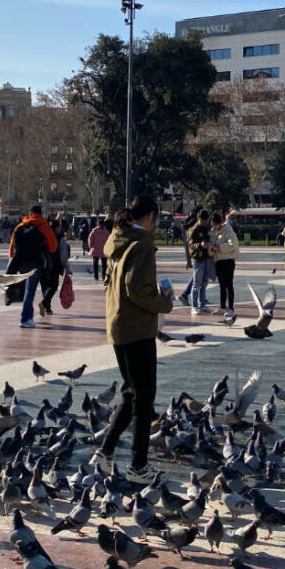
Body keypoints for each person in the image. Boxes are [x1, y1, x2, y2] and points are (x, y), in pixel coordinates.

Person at [88, 195, 173, 484]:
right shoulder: (143, 245)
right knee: (144, 398)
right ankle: (138, 466)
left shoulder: (118, 240)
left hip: (118, 325)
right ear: (149, 216)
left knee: (130, 392)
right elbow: (137, 289)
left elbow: (112, 284)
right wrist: (164, 302)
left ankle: (105, 450)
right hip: (137, 329)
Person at [7, 204, 58, 328]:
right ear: (41, 214)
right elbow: (53, 247)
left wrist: (12, 261)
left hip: (21, 262)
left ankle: (28, 317)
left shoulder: (20, 226)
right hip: (35, 262)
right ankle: (25, 319)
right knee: (30, 291)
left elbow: (12, 247)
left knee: (26, 290)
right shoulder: (43, 225)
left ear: (29, 213)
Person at [209, 210, 240, 317]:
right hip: (218, 261)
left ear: (219, 223)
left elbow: (232, 245)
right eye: (212, 225)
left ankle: (230, 308)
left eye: (214, 225)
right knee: (222, 285)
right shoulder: (214, 232)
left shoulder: (228, 231)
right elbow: (211, 246)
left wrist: (219, 248)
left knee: (229, 285)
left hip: (228, 261)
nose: (212, 227)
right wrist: (210, 248)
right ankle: (222, 307)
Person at [40, 217, 70, 316]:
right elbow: (63, 255)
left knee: (45, 287)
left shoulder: (44, 236)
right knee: (53, 286)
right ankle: (44, 304)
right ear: (57, 228)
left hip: (42, 265)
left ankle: (47, 308)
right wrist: (67, 268)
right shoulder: (60, 238)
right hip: (54, 266)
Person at [187, 210, 212, 314]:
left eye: (205, 221)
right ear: (199, 219)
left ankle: (202, 304)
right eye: (202, 220)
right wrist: (200, 245)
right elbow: (191, 244)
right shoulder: (194, 229)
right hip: (197, 258)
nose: (204, 222)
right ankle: (194, 306)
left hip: (206, 257)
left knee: (204, 283)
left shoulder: (206, 228)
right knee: (196, 283)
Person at [87, 217, 109, 281]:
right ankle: (103, 276)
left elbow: (90, 240)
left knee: (95, 263)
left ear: (98, 224)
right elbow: (109, 240)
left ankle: (96, 276)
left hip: (95, 249)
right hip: (104, 250)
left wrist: (91, 246)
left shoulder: (94, 231)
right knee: (104, 264)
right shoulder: (107, 232)